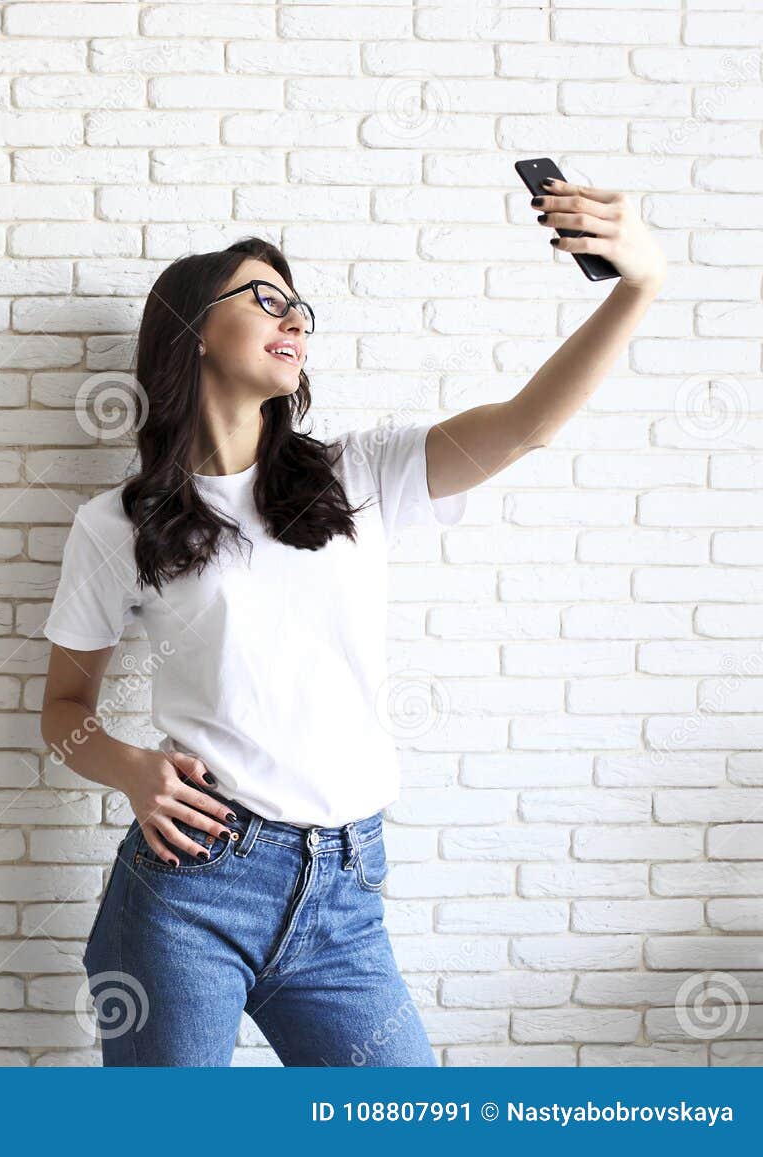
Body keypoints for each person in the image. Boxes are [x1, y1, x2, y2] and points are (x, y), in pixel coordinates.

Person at [39, 181, 666, 1066]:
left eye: (299, 303)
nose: (291, 314)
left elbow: (526, 427)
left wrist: (639, 284)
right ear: (190, 329)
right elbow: (63, 707)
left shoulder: (358, 473)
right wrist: (133, 768)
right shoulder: (116, 525)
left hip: (345, 888)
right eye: (264, 297)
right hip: (192, 885)